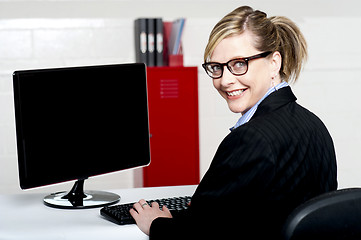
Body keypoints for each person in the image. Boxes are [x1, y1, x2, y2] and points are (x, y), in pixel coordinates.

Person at [130, 6, 337, 239]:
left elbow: (200, 235)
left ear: (274, 63)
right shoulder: (314, 124)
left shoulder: (251, 138)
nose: (225, 80)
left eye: (239, 63)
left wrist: (156, 224)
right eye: (217, 67)